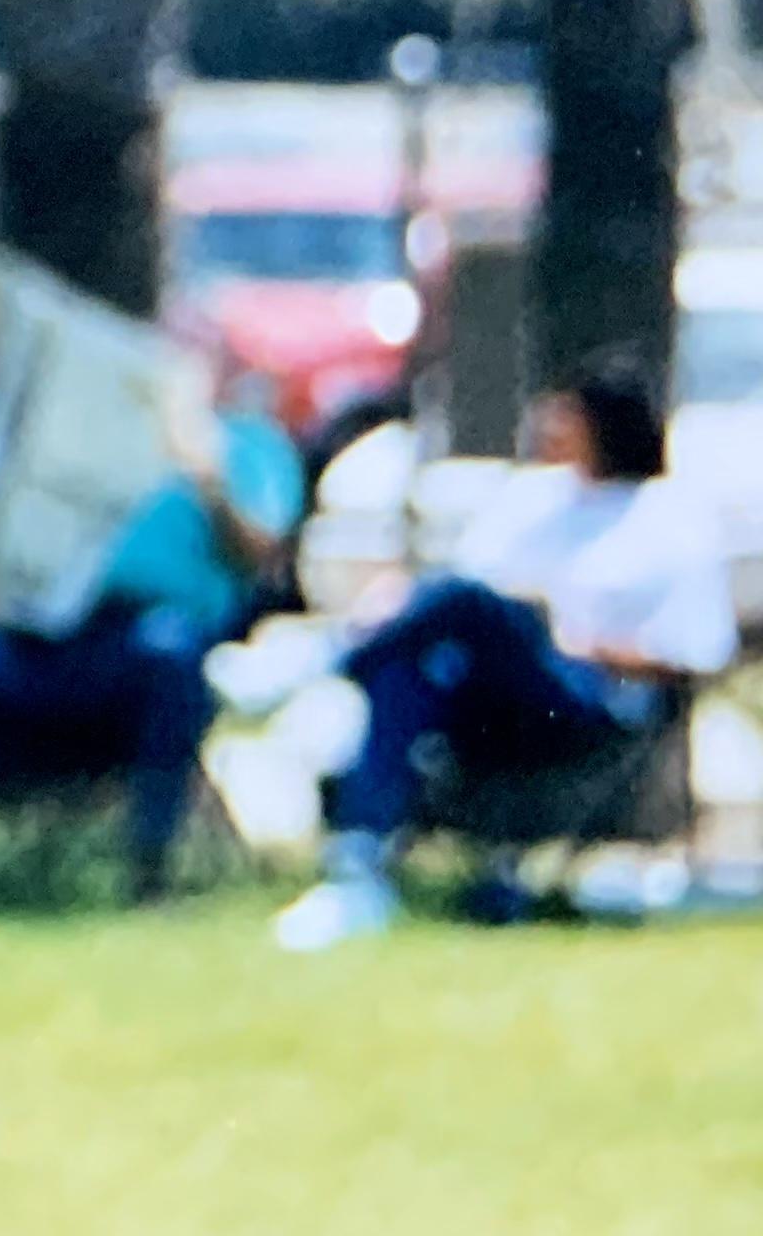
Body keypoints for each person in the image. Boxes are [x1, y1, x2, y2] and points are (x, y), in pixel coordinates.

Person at [275, 359, 740, 950]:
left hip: (595, 696)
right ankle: (359, 869)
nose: (546, 425)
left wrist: (575, 638)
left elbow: (696, 651)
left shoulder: (669, 517)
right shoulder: (533, 499)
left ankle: (324, 661)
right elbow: (455, 594)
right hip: (499, 690)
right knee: (407, 671)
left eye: (565, 414)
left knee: (475, 603)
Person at [0, 374, 304, 904]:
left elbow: (264, 556)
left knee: (169, 651)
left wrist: (205, 469)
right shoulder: (81, 431)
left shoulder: (246, 445)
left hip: (144, 637)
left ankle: (150, 869)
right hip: (40, 632)